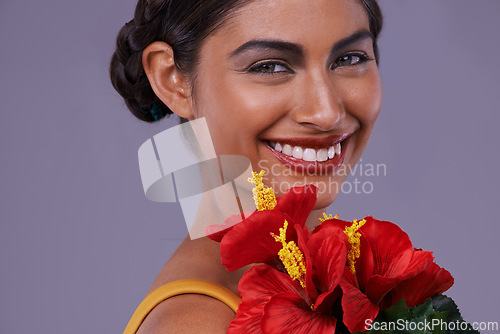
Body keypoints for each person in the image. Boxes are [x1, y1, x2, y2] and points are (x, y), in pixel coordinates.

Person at [110, 0, 383, 332]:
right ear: (171, 80)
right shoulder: (199, 324)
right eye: (269, 66)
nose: (326, 113)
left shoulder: (344, 282)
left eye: (348, 59)